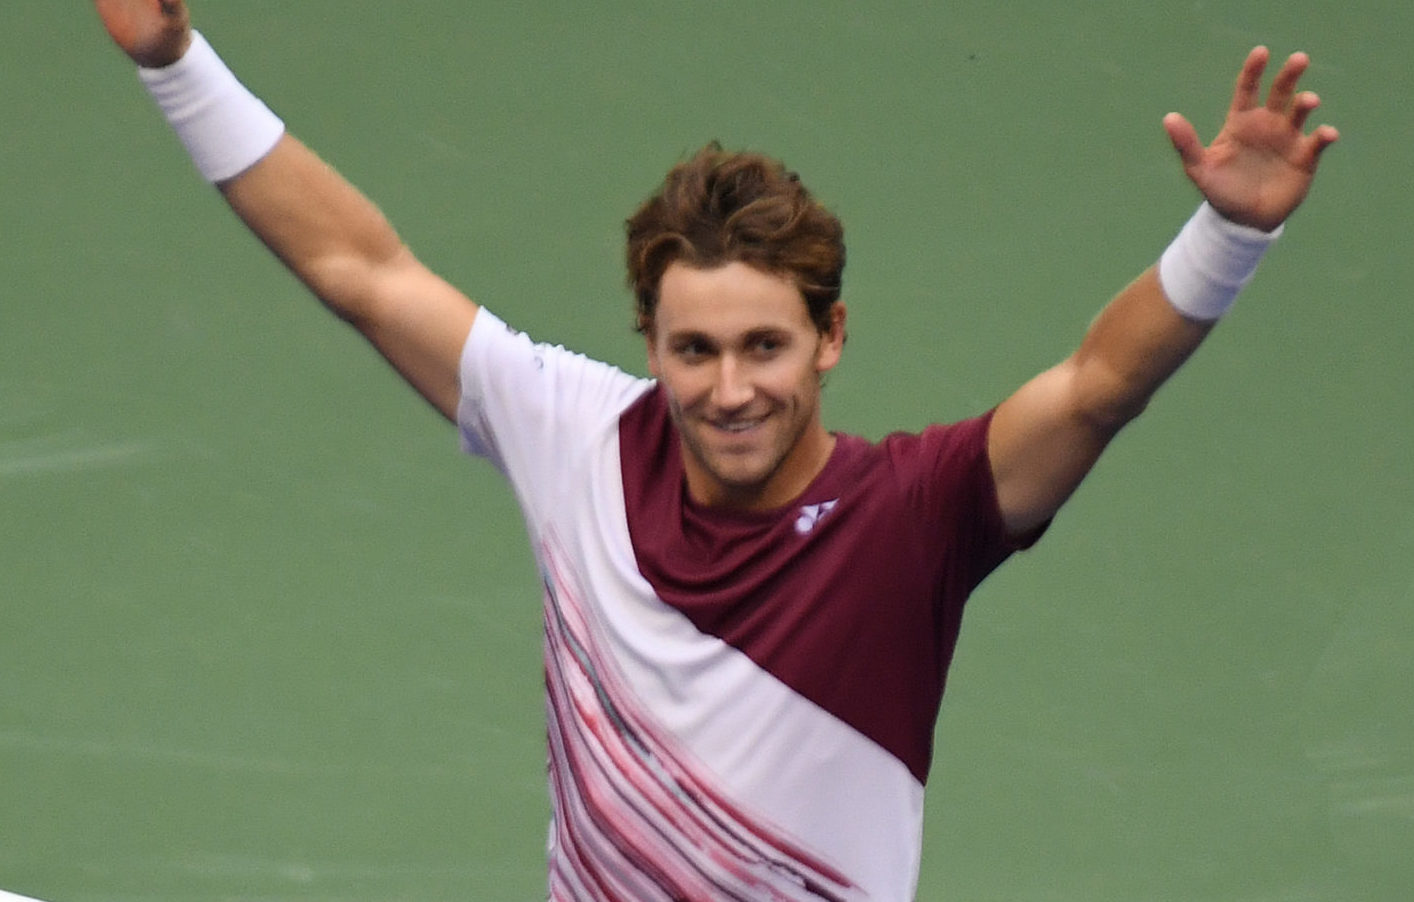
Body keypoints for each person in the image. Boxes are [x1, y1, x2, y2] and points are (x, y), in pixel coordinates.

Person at [92, 1, 1338, 899]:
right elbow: (361, 269)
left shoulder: (914, 515)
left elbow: (1099, 385)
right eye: (693, 350)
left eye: (764, 346)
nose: (730, 390)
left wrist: (1225, 238)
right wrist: (174, 63)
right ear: (649, 340)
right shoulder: (574, 431)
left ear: (829, 337)